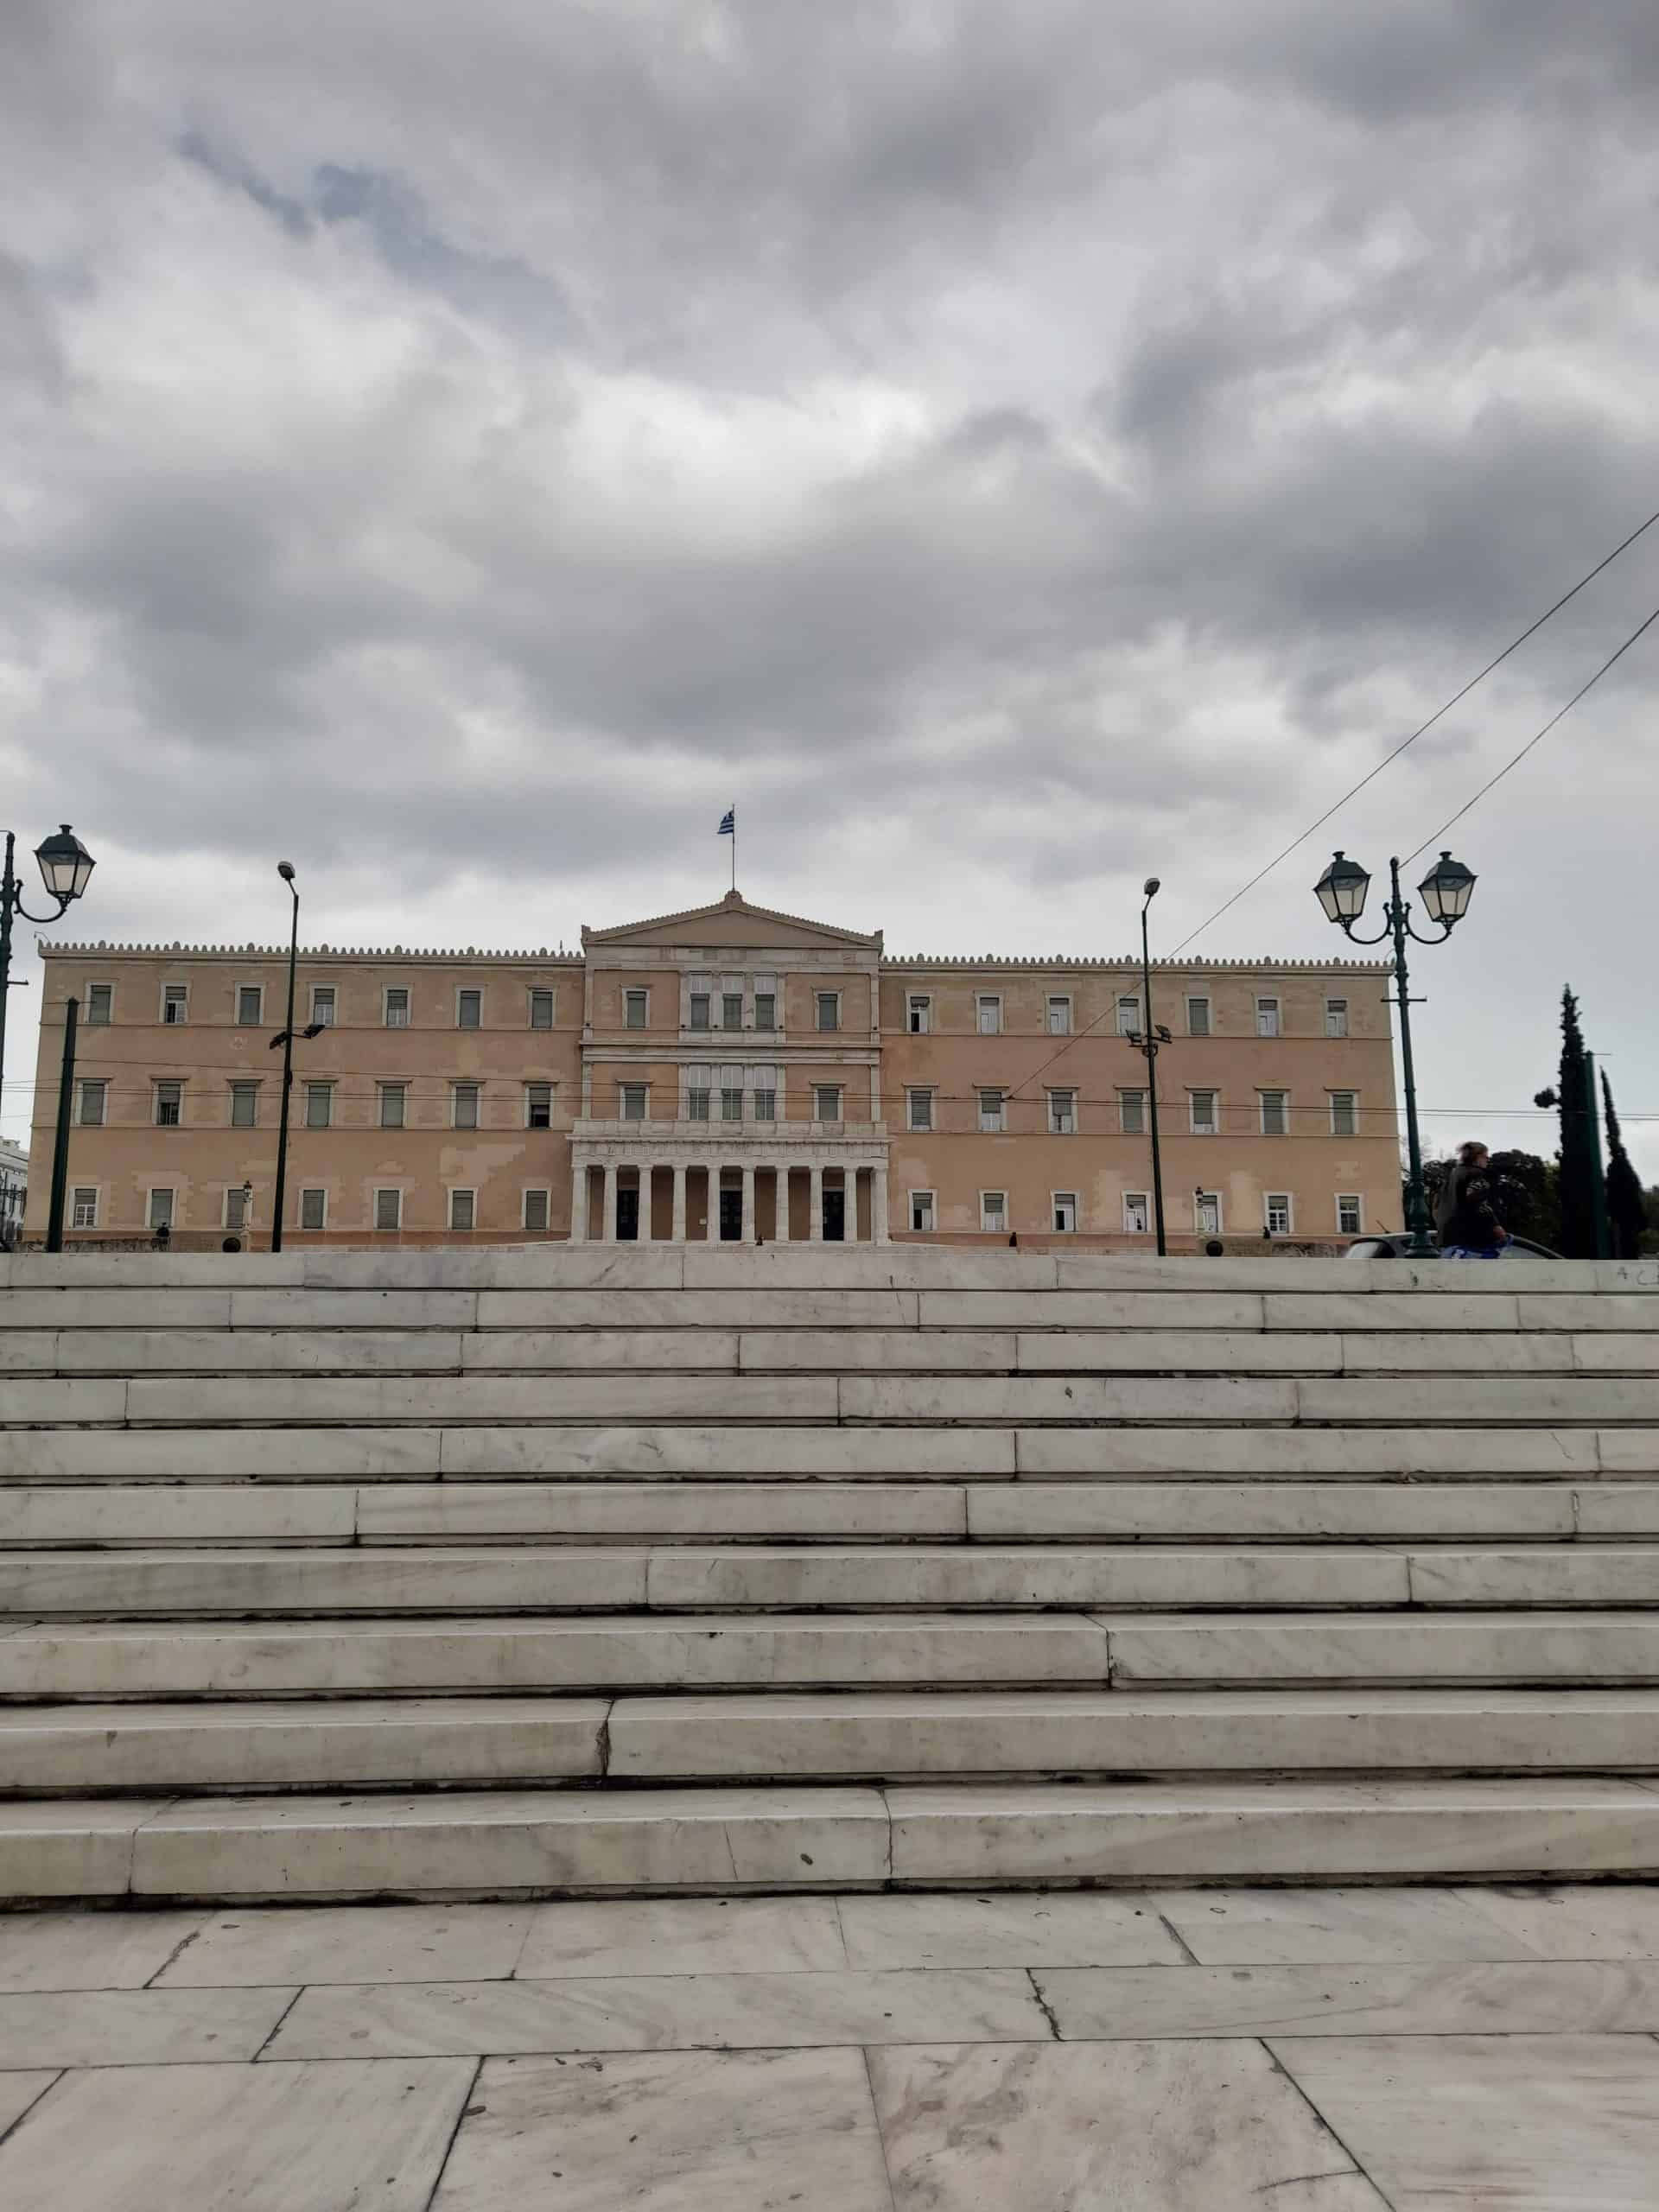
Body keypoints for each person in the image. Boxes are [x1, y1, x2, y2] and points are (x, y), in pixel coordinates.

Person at [1436, 1141, 1510, 1259]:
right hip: (1472, 1240)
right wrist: (1497, 1228)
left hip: (1448, 1241)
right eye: (1486, 1157)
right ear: (1478, 1158)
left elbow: (1436, 1205)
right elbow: (1478, 1203)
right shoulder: (1476, 1174)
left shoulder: (1451, 1176)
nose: (1487, 1161)